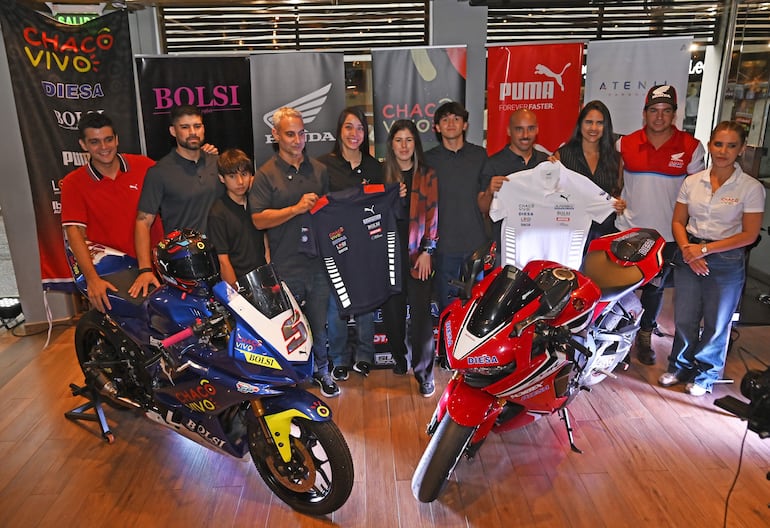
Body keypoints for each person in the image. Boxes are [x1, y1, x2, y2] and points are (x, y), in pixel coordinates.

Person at [658, 121, 765, 396]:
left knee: (717, 323)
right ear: (710, 145)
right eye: (718, 144)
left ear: (741, 149)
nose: (723, 151)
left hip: (726, 260)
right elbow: (678, 221)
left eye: (731, 146)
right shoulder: (692, 182)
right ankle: (679, 367)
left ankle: (705, 375)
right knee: (685, 317)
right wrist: (688, 249)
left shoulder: (751, 188)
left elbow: (749, 234)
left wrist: (704, 251)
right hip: (689, 253)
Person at [249, 107, 338, 398]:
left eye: (301, 133)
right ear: (275, 135)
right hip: (285, 265)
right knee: (289, 328)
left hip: (317, 262)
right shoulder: (265, 175)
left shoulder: (319, 170)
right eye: (290, 134)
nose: (298, 140)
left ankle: (322, 371)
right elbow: (258, 219)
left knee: (319, 324)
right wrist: (295, 209)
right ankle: (291, 379)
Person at [615, 85, 705, 366]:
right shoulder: (625, 144)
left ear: (674, 114)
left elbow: (699, 194)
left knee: (654, 289)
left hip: (667, 235)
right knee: (623, 289)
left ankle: (644, 335)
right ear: (645, 113)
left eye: (666, 111)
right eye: (654, 110)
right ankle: (620, 339)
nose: (659, 116)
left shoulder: (691, 147)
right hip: (628, 230)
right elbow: (614, 181)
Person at [60, 112, 164, 313]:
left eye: (108, 139)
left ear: (116, 139)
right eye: (95, 142)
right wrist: (92, 279)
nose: (104, 147)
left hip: (157, 265)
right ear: (83, 145)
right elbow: (74, 234)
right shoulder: (73, 183)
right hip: (116, 272)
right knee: (128, 326)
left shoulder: (145, 166)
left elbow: (179, 181)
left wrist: (200, 156)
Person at [317, 107, 384, 382]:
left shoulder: (375, 168)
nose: (354, 133)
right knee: (337, 306)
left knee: (366, 305)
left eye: (359, 128)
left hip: (366, 247)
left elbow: (382, 206)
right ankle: (339, 359)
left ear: (365, 133)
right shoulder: (323, 166)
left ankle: (365, 356)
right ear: (339, 131)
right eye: (348, 127)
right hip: (335, 247)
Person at [131, 104, 222, 298]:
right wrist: (145, 270)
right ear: (173, 131)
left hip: (224, 259)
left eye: (197, 126)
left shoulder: (218, 163)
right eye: (185, 127)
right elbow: (143, 221)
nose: (192, 132)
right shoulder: (159, 172)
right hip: (186, 266)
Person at [380, 119, 439, 397]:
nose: (404, 146)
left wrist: (428, 250)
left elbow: (433, 214)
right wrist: (390, 198)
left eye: (409, 140)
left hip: (418, 253)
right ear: (391, 145)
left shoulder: (427, 174)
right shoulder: (382, 174)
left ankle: (425, 373)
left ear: (415, 144)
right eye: (398, 140)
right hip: (388, 254)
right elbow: (371, 216)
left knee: (421, 316)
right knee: (392, 314)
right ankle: (399, 357)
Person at [424, 101, 488, 313]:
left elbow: (489, 198)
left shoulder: (480, 155)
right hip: (444, 247)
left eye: (456, 119)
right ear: (437, 127)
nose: (451, 123)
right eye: (445, 120)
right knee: (448, 309)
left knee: (478, 309)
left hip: (476, 244)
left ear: (465, 125)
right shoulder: (428, 160)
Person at [553, 100, 625, 244]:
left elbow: (616, 193)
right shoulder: (562, 156)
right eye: (588, 122)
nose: (593, 128)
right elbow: (551, 196)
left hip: (604, 234)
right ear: (580, 124)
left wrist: (619, 204)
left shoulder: (615, 158)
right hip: (570, 234)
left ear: (606, 126)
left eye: (599, 123)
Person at [480, 108, 550, 250]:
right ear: (508, 131)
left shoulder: (546, 163)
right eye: (519, 129)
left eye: (530, 128)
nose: (525, 135)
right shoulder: (493, 163)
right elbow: (482, 208)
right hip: (506, 247)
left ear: (537, 130)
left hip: (540, 244)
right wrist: (489, 192)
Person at [206, 149, 266, 286]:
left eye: (244, 174)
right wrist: (236, 291)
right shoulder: (217, 212)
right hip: (239, 283)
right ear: (222, 178)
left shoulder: (256, 203)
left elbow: (265, 242)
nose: (240, 182)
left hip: (264, 278)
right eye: (232, 176)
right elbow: (223, 260)